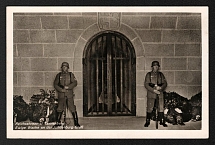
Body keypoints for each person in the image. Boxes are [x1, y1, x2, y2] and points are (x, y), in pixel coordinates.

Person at [53, 62, 80, 127]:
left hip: (69, 95)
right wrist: (61, 90)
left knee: (72, 108)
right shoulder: (58, 75)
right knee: (59, 108)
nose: (64, 68)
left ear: (68, 68)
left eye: (65, 67)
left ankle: (76, 123)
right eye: (63, 67)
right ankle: (58, 123)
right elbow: (55, 84)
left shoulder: (71, 75)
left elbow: (75, 83)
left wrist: (68, 87)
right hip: (61, 95)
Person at [144, 61, 168, 127]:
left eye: (157, 66)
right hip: (151, 93)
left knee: (161, 107)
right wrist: (154, 90)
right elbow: (146, 85)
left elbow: (165, 83)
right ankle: (147, 121)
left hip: (160, 93)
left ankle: (162, 120)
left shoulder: (161, 74)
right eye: (154, 66)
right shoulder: (149, 74)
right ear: (152, 67)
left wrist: (160, 88)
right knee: (150, 107)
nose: (156, 67)